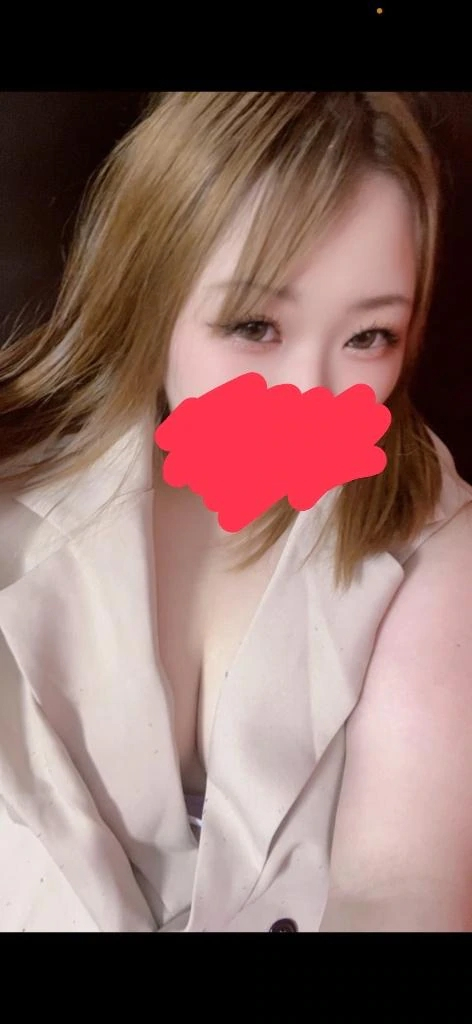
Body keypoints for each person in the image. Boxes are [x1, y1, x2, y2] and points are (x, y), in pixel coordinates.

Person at [0, 91, 471, 933]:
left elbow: (401, 887)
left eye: (369, 337)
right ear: (147, 290)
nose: (311, 394)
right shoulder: (17, 483)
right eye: (256, 326)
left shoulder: (430, 526)